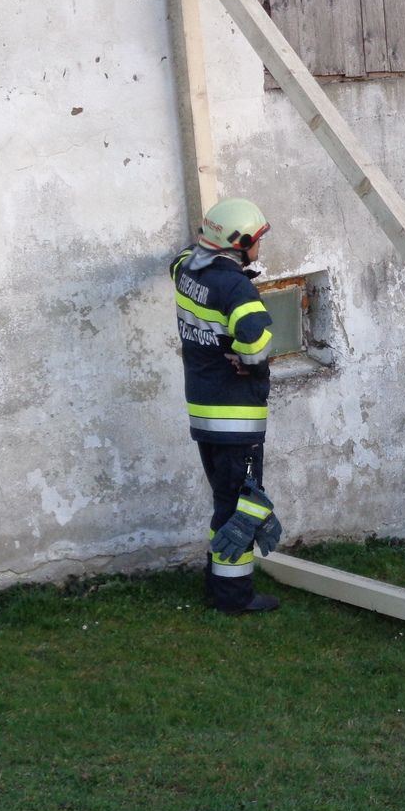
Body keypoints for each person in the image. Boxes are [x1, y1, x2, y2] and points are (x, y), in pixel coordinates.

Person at [170, 197, 283, 615]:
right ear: (240, 244)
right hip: (237, 418)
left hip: (204, 412)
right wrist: (248, 360)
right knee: (241, 508)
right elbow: (257, 344)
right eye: (257, 240)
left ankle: (216, 583)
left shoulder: (186, 270)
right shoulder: (236, 288)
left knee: (226, 499)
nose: (260, 246)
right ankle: (234, 596)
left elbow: (179, 259)